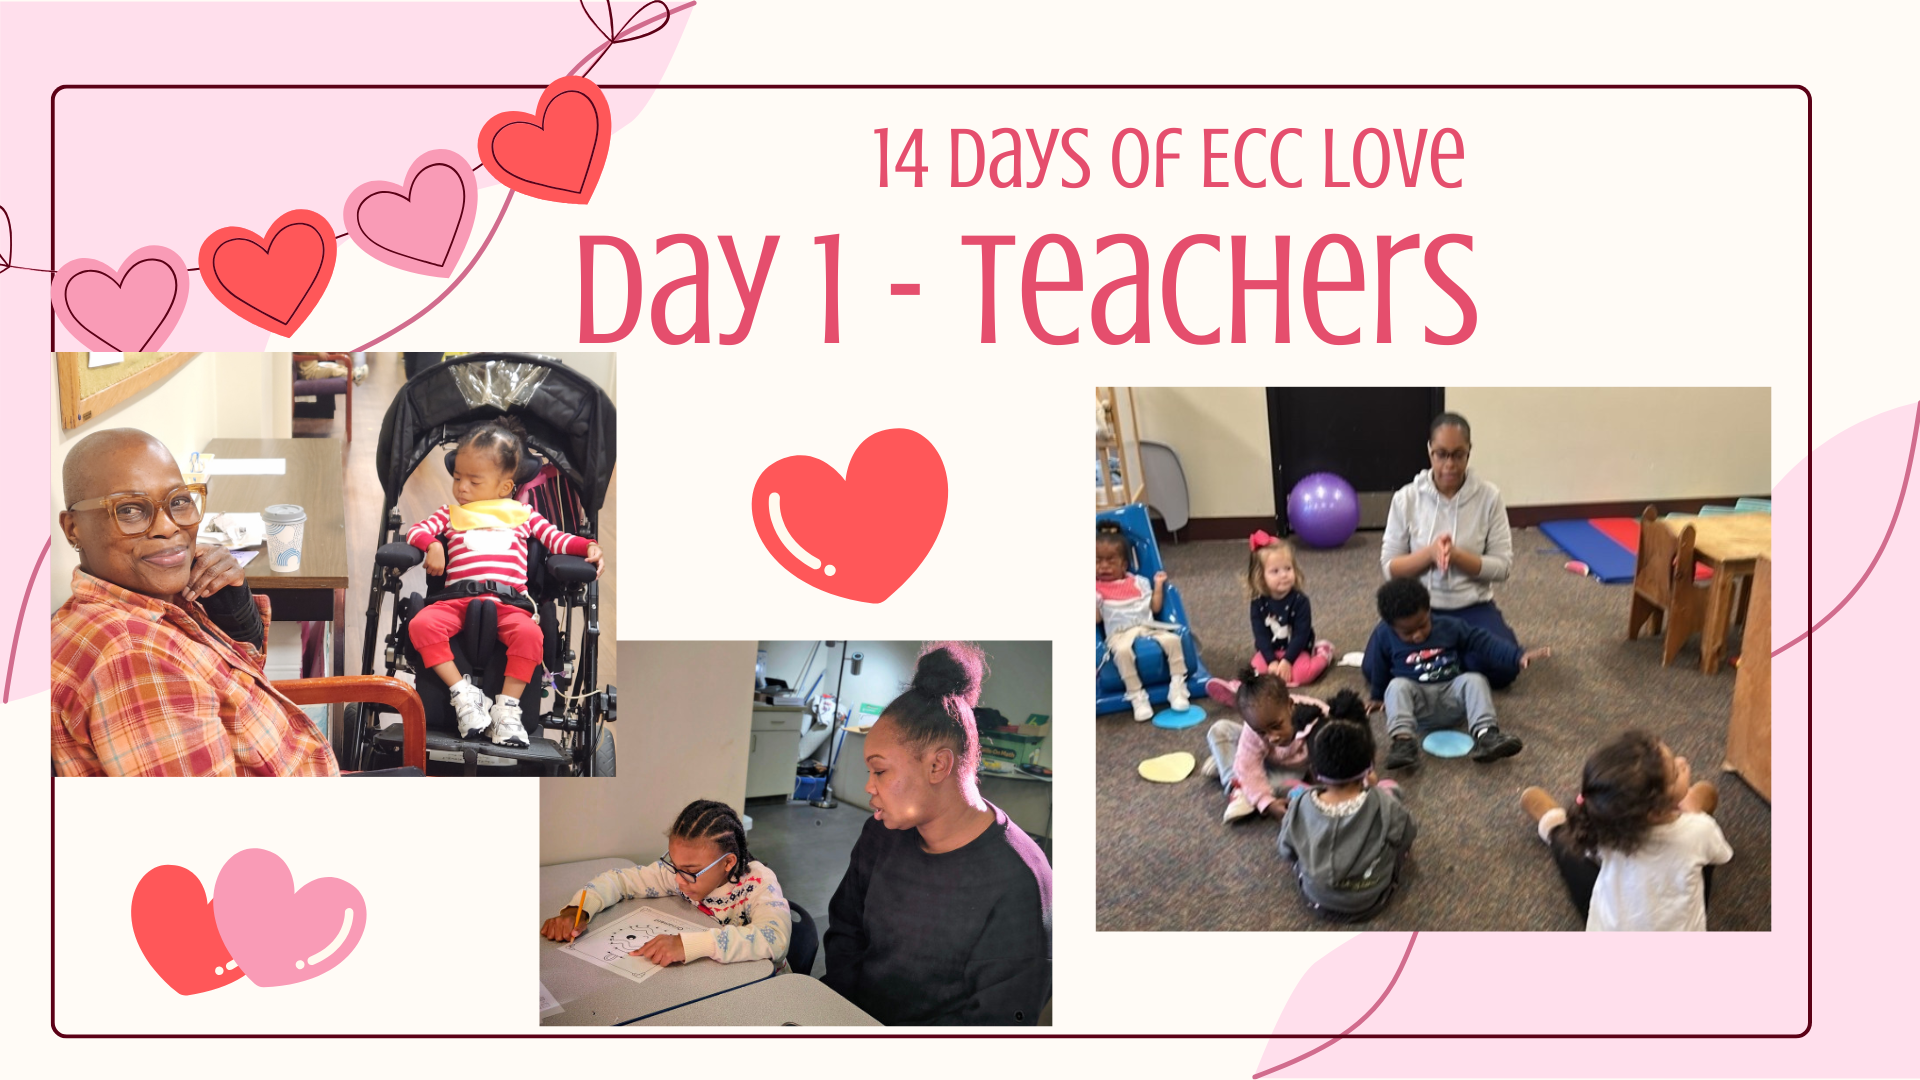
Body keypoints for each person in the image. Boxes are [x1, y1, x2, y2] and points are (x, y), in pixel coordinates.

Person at [51, 428, 338, 776]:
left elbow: (238, 684)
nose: (168, 527)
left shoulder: (146, 602)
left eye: (179, 501)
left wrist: (231, 602)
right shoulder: (136, 662)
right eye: (128, 510)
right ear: (72, 528)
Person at [824, 643, 1052, 1026]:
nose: (869, 786)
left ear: (938, 765)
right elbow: (845, 930)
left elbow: (999, 1025)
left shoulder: (1021, 881)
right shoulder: (882, 834)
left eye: (879, 771)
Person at [403, 418, 602, 748]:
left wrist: (589, 546)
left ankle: (507, 710)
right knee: (421, 624)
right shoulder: (451, 514)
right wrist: (433, 544)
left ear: (504, 487)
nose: (462, 487)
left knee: (531, 635)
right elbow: (416, 531)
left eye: (474, 481)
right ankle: (463, 695)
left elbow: (557, 540)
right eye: (457, 478)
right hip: (454, 600)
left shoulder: (522, 515)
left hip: (511, 604)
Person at [539, 799, 792, 966]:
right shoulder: (678, 872)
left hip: (759, 985)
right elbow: (619, 881)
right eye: (674, 865)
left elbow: (776, 940)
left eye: (690, 872)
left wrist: (690, 944)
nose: (678, 879)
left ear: (727, 864)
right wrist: (579, 909)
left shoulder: (758, 883)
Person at [1521, 731, 1732, 931]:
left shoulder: (1604, 826)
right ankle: (1691, 799)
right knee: (1700, 848)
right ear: (1654, 811)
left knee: (1570, 847)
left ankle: (1554, 823)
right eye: (1676, 773)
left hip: (1612, 926)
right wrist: (1694, 812)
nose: (1683, 760)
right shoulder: (1700, 830)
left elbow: (1586, 847)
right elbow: (1720, 855)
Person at [1380, 412, 1524, 688]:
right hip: (1421, 612)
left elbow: (1503, 567)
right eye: (1441, 454)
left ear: (1469, 452)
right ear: (1429, 451)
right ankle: (1450, 658)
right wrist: (1429, 555)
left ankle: (1443, 659)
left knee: (1504, 667)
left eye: (1458, 455)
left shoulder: (1489, 497)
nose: (1449, 464)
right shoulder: (1406, 498)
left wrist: (1457, 557)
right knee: (1378, 665)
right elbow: (1390, 568)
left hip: (1472, 606)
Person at [1363, 578, 1549, 770]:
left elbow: (1483, 641)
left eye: (1422, 625)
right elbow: (1380, 665)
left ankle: (1487, 736)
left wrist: (1517, 655)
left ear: (1429, 610)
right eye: (1407, 632)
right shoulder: (1384, 634)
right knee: (1397, 686)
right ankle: (1403, 743)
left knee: (1474, 680)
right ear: (1391, 626)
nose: (1417, 635)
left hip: (1453, 699)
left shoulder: (1450, 626)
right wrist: (1377, 696)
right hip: (1416, 706)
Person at [1278, 717, 1416, 920]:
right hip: (1371, 901)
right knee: (1394, 836)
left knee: (1300, 852)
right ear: (1369, 768)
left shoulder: (1299, 807)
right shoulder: (1385, 805)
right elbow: (1407, 835)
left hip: (1317, 899)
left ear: (1315, 772)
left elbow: (1286, 851)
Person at [1204, 531, 1336, 705]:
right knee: (1256, 672)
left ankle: (1324, 654)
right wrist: (1272, 661)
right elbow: (1261, 636)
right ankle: (1237, 688)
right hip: (1271, 651)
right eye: (1275, 571)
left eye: (1288, 569)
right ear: (1261, 577)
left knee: (1304, 675)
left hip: (1296, 650)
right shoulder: (1258, 603)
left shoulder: (1301, 601)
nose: (1284, 575)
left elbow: (1301, 635)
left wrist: (1288, 660)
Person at [1202, 666, 1326, 824]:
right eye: (1262, 732)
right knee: (1220, 729)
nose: (1272, 737)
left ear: (1290, 705)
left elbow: (1342, 735)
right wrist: (1267, 803)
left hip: (1289, 768)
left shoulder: (1315, 714)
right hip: (1262, 757)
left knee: (1282, 785)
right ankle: (1236, 784)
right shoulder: (1253, 729)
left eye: (1276, 726)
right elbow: (1249, 766)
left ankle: (1227, 764)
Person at [1096, 521, 1190, 719]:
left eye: (1110, 561)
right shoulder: (1095, 589)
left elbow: (1155, 608)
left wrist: (1158, 585)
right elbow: (1097, 620)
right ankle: (1137, 695)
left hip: (1147, 626)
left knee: (1173, 640)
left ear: (1124, 564)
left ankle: (1177, 685)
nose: (1103, 566)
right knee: (1122, 652)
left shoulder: (1139, 582)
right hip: (1119, 632)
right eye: (1097, 561)